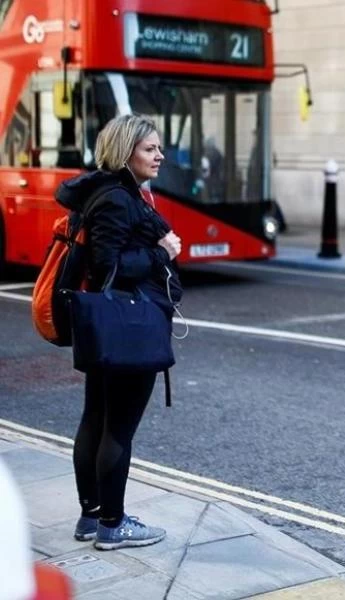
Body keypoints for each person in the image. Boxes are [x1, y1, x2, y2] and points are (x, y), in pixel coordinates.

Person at [55, 114, 183, 551]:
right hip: (126, 325)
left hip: (107, 325)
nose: (160, 155)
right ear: (126, 151)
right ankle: (112, 523)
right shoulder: (117, 198)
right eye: (150, 149)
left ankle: (92, 517)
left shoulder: (114, 193)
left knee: (96, 418)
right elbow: (106, 266)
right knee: (116, 429)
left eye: (159, 148)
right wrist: (159, 252)